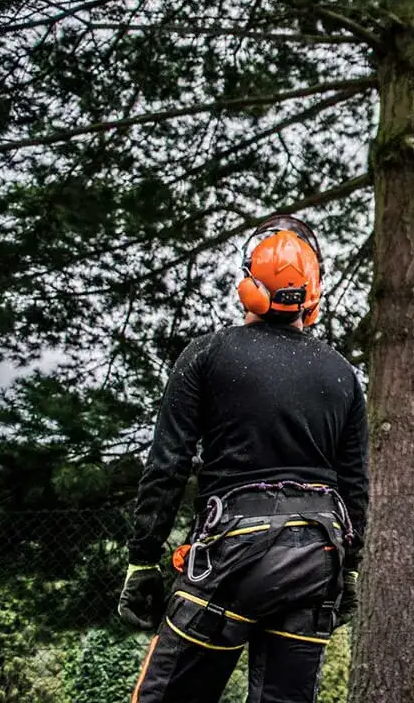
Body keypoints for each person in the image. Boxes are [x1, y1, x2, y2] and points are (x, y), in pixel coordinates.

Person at [118, 214, 369, 702]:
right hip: (317, 560)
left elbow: (167, 464)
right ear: (312, 297)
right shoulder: (342, 376)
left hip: (232, 555)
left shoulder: (207, 355)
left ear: (248, 287)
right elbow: (354, 485)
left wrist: (143, 560)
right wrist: (350, 569)